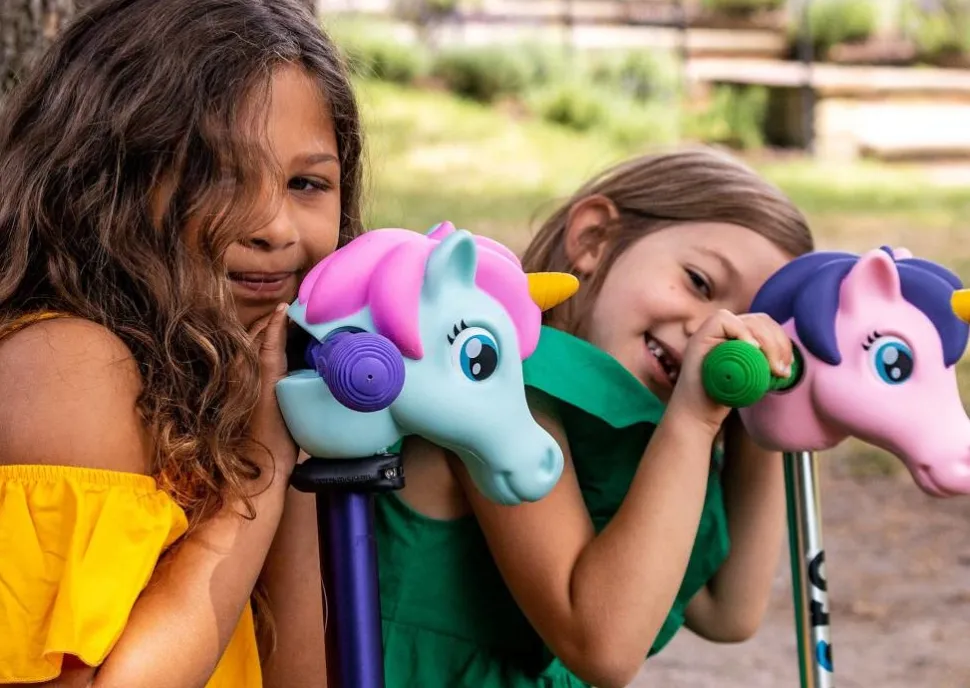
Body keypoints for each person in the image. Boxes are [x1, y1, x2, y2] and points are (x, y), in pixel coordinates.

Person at [0, 0, 363, 685]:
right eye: (220, 176)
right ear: (105, 179)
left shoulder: (245, 383)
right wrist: (258, 476)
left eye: (306, 183)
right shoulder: (69, 367)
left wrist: (295, 434)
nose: (275, 228)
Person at [376, 147, 815, 687]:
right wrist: (693, 422)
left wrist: (766, 396)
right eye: (699, 283)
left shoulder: (627, 439)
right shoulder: (498, 384)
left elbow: (728, 609)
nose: (711, 329)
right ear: (594, 239)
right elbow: (603, 646)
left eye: (743, 323)